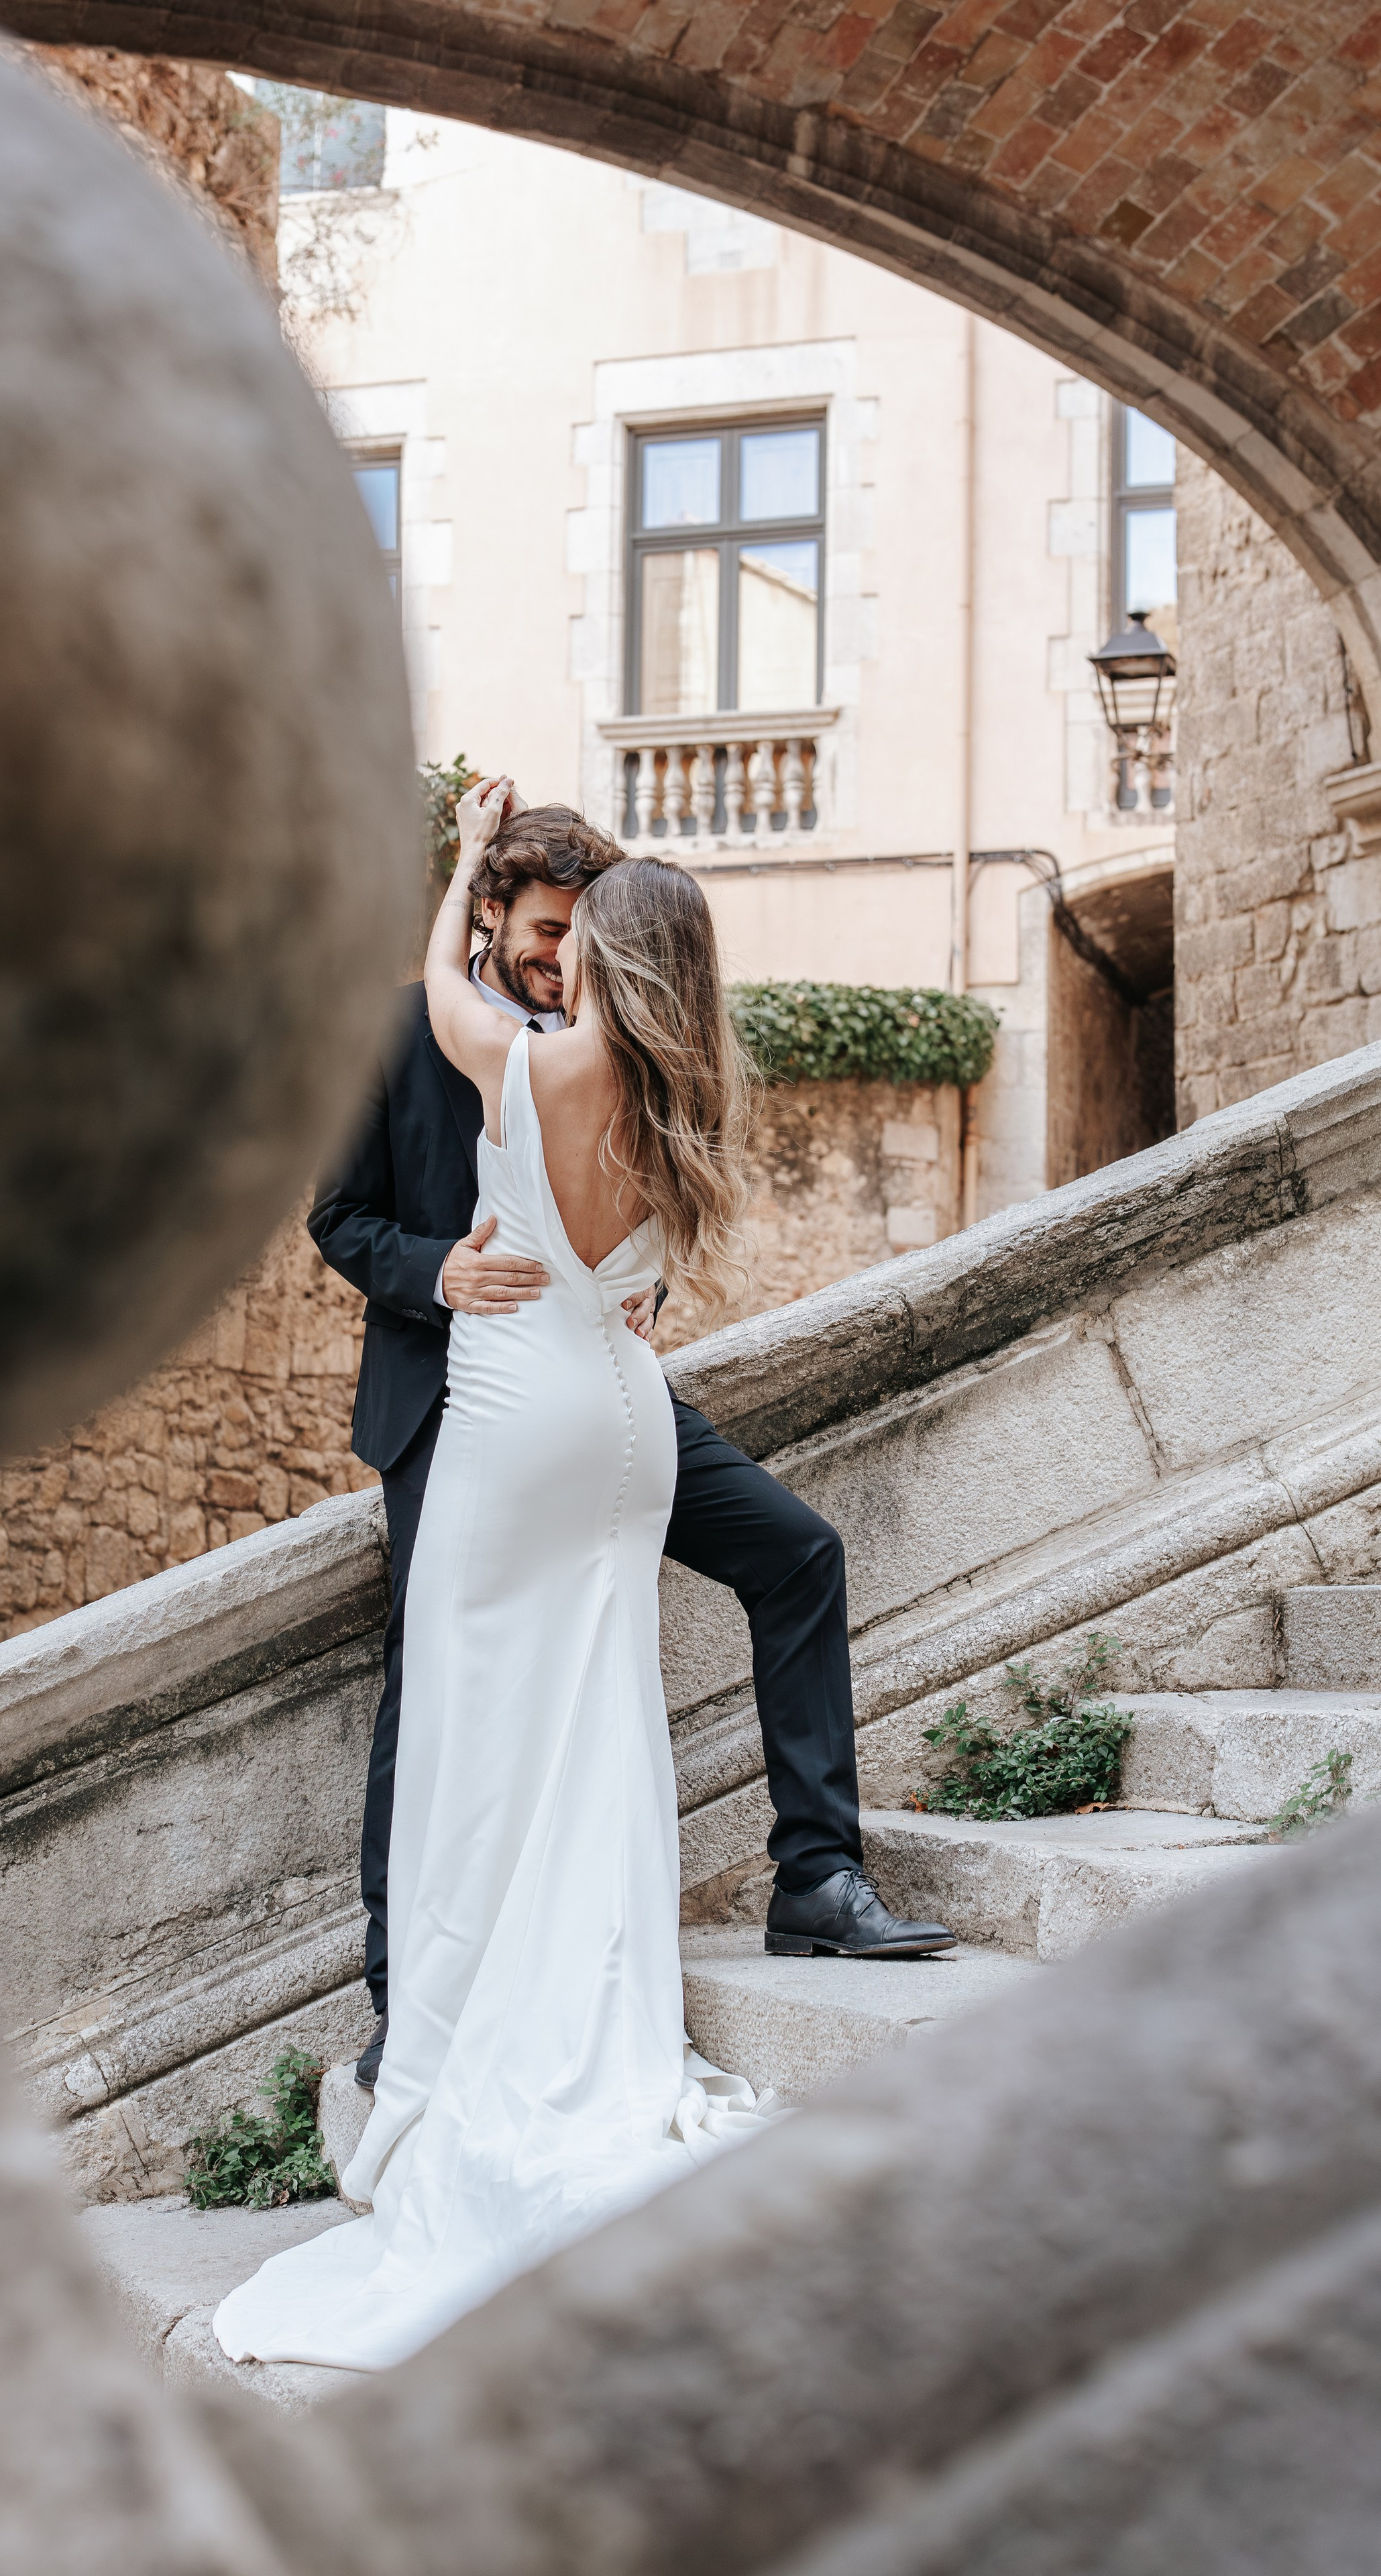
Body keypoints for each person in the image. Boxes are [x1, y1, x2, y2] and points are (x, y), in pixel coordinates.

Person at [213, 785, 946, 2375]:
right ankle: (418, 1999)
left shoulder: (539, 1045)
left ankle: (814, 1874)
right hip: (483, 1402)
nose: (554, 960)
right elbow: (339, 1218)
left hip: (570, 1408)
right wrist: (441, 1271)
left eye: (575, 940)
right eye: (539, 934)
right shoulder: (450, 1035)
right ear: (502, 922)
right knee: (465, 1714)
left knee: (763, 1572)